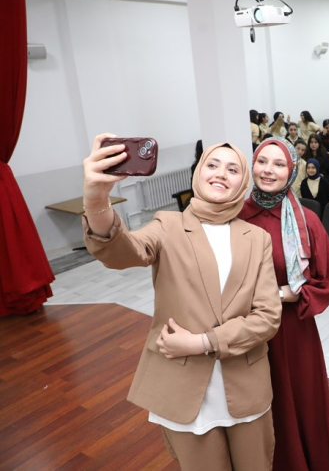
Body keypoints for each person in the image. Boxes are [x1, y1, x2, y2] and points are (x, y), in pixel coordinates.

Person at [83, 137, 281, 470]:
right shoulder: (168, 225)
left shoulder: (257, 238)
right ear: (198, 172)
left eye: (233, 169)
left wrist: (201, 343)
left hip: (245, 385)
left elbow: (268, 317)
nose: (221, 174)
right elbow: (121, 252)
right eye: (212, 165)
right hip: (183, 387)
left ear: (243, 182)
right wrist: (96, 198)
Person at [238, 138, 329, 471]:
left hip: (290, 332)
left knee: (295, 403)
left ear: (292, 171)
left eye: (279, 164)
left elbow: (327, 279)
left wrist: (286, 294)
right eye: (262, 161)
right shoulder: (235, 214)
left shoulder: (306, 220)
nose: (268, 170)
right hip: (241, 329)